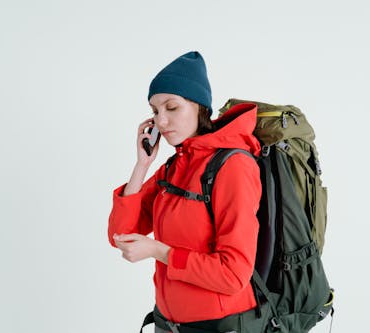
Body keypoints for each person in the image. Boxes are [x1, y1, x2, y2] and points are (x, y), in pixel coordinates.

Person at [108, 51, 263, 332]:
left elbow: (233, 273)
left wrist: (158, 250)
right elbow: (120, 236)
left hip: (220, 327)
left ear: (199, 107)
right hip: (168, 324)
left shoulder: (234, 166)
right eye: (155, 111)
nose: (161, 122)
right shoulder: (174, 166)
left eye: (172, 107)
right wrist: (142, 165)